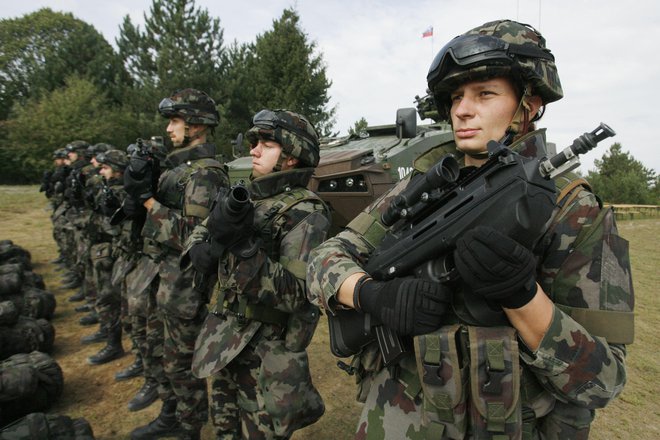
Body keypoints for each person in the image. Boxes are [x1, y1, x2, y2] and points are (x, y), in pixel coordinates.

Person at [307, 19, 634, 439]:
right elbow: (322, 258)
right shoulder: (420, 187)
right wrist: (370, 293)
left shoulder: (573, 209)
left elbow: (603, 379)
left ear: (529, 104)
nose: (462, 109)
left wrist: (523, 298)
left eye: (485, 93)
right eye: (456, 96)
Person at [182, 109, 330, 439]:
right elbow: (202, 232)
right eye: (255, 142)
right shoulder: (247, 194)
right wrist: (201, 248)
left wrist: (242, 249)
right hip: (224, 337)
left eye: (266, 144)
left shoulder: (307, 211)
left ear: (291, 157)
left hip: (264, 351)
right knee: (224, 425)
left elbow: (296, 292)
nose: (254, 150)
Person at [126, 88, 230, 440]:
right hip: (164, 279)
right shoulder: (181, 168)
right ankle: (171, 415)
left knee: (183, 366)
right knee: (164, 358)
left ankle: (189, 429)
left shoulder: (206, 173)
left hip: (185, 287)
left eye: (175, 120)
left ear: (197, 124)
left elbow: (193, 233)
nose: (169, 129)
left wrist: (147, 202)